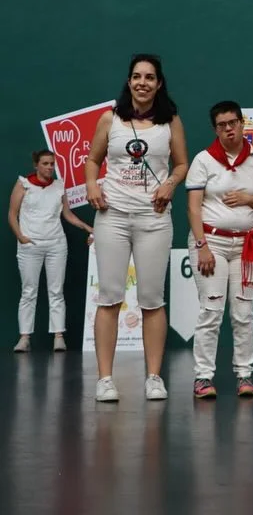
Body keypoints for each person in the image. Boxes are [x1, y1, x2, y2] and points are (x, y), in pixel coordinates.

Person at [85, 54, 189, 402]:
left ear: (159, 84)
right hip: (112, 217)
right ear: (129, 81)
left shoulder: (170, 121)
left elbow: (182, 164)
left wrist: (170, 184)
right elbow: (93, 160)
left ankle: (154, 377)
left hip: (153, 219)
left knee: (151, 299)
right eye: (137, 76)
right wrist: (92, 185)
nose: (142, 82)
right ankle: (105, 379)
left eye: (149, 77)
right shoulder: (110, 119)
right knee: (109, 297)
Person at [186, 101, 253, 399]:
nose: (228, 129)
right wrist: (202, 246)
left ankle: (244, 375)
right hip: (211, 243)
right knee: (211, 311)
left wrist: (249, 200)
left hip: (246, 246)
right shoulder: (203, 160)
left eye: (233, 123)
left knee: (243, 313)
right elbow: (193, 207)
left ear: (241, 123)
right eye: (222, 125)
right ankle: (203, 377)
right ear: (216, 129)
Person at [8, 150, 93, 353]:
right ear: (36, 165)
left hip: (56, 244)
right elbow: (12, 214)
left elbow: (67, 214)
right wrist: (21, 237)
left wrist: (87, 228)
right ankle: (24, 338)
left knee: (56, 291)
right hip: (30, 245)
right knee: (28, 292)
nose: (49, 167)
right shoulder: (23, 184)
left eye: (52, 164)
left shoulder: (59, 186)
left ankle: (58, 337)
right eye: (45, 163)